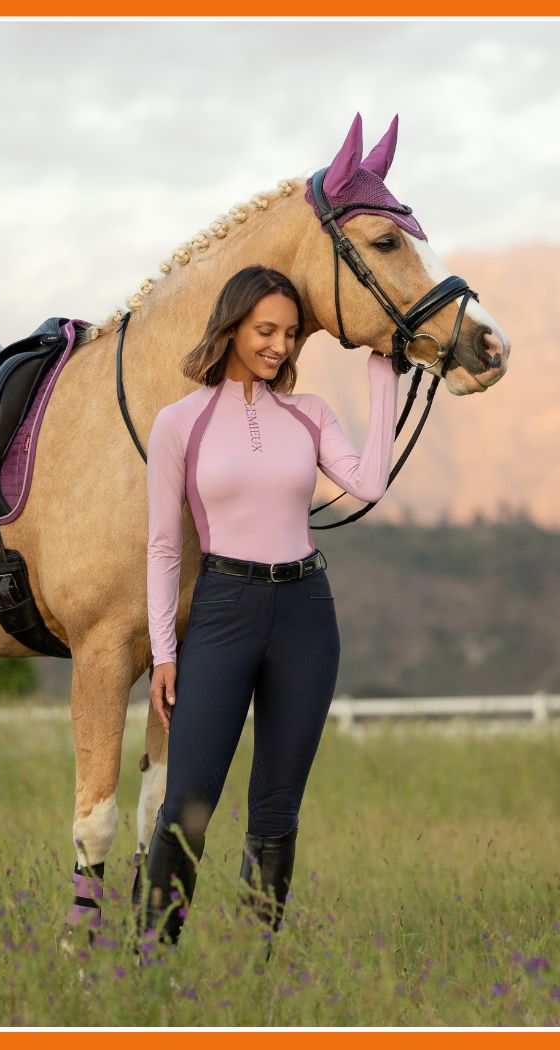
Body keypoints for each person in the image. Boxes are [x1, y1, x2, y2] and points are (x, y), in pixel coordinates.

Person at [142, 264, 399, 946]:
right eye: (265, 330)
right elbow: (163, 548)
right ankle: (148, 963)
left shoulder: (308, 413)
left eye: (289, 333)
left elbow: (369, 482)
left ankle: (254, 966)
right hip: (223, 610)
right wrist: (164, 653)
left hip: (305, 615)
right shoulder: (180, 422)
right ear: (231, 327)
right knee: (188, 803)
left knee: (277, 807)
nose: (280, 346)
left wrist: (384, 377)